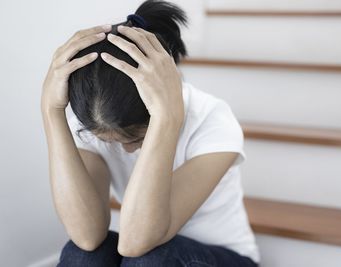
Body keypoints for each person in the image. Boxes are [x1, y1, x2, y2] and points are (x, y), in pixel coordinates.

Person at [40, 0, 260, 266]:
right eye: (109, 141)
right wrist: (51, 112)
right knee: (83, 254)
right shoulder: (95, 119)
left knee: (151, 258)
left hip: (223, 257)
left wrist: (167, 119)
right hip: (145, 243)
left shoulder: (212, 119)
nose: (125, 150)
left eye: (135, 139)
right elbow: (87, 235)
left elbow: (136, 242)